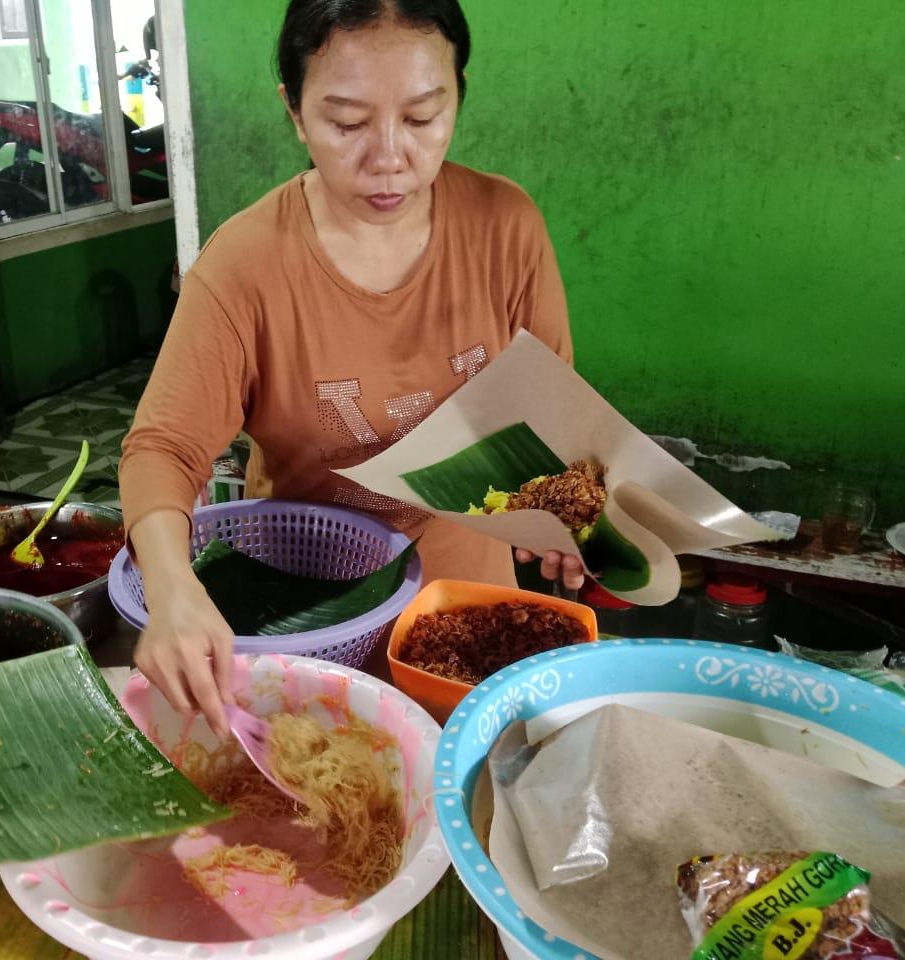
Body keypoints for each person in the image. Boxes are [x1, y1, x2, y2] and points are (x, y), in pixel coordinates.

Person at [118, 0, 583, 737]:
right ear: (296, 114)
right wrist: (173, 590)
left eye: (425, 117)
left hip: (463, 611)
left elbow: (549, 400)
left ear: (458, 93)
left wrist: (559, 503)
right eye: (346, 123)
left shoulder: (505, 225)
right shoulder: (245, 265)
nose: (391, 156)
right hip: (310, 611)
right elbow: (162, 448)